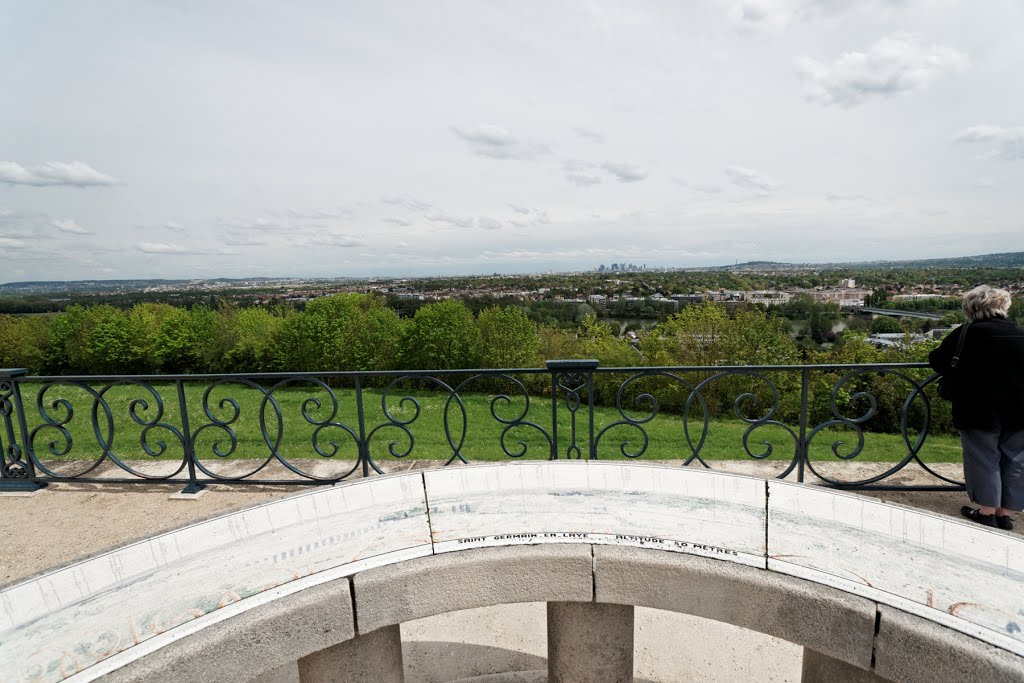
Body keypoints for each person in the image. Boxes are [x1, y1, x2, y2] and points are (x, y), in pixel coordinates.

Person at [929, 285, 1024, 530]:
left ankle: (986, 512)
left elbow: (937, 361)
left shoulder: (965, 334)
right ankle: (1004, 513)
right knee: (1015, 459)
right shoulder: (1020, 333)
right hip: (1019, 408)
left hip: (977, 408)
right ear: (1004, 307)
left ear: (971, 308)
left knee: (984, 459)